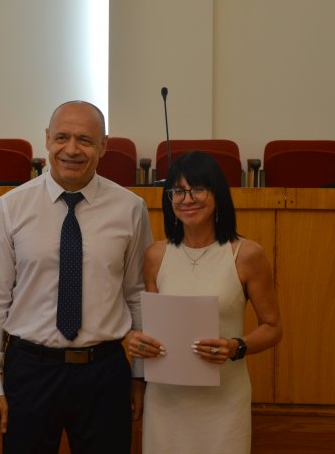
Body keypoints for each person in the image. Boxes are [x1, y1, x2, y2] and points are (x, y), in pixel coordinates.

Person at [0, 101, 154, 454]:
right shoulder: (11, 207)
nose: (71, 149)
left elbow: (137, 295)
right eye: (61, 137)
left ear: (103, 145)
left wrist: (140, 374)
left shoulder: (130, 208)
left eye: (85, 140)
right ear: (46, 139)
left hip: (104, 373)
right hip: (30, 372)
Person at [126, 151, 283, 454]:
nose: (187, 199)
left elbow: (273, 327)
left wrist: (236, 346)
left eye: (198, 189)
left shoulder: (246, 254)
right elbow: (151, 327)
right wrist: (136, 340)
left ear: (217, 194)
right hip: (166, 400)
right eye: (178, 191)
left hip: (223, 400)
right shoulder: (156, 255)